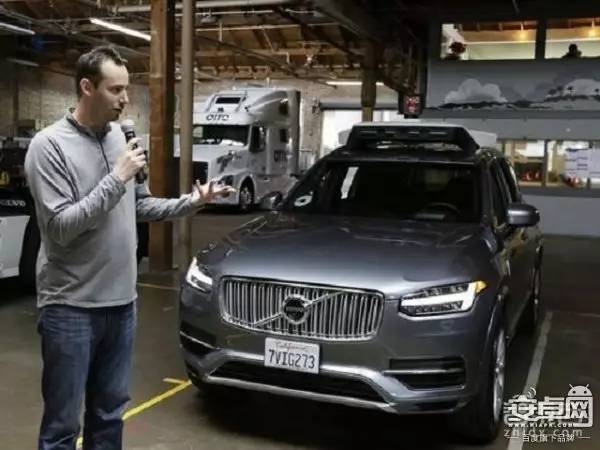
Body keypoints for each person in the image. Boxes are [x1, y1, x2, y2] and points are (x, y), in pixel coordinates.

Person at [24, 46, 234, 450]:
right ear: (87, 88)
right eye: (115, 89)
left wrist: (191, 202)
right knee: (62, 425)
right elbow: (61, 227)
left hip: (122, 305)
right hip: (70, 307)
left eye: (127, 89)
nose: (125, 99)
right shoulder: (48, 146)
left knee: (109, 415)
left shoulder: (121, 138)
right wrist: (116, 177)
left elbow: (138, 205)